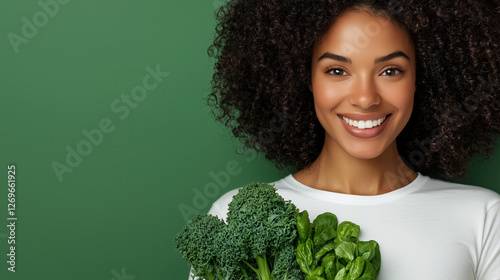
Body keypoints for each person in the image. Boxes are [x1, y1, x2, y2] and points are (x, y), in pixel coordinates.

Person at [198, 0, 500, 279]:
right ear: (307, 78)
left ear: (421, 77)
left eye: (391, 71)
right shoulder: (237, 219)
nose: (366, 98)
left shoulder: (482, 216)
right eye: (337, 70)